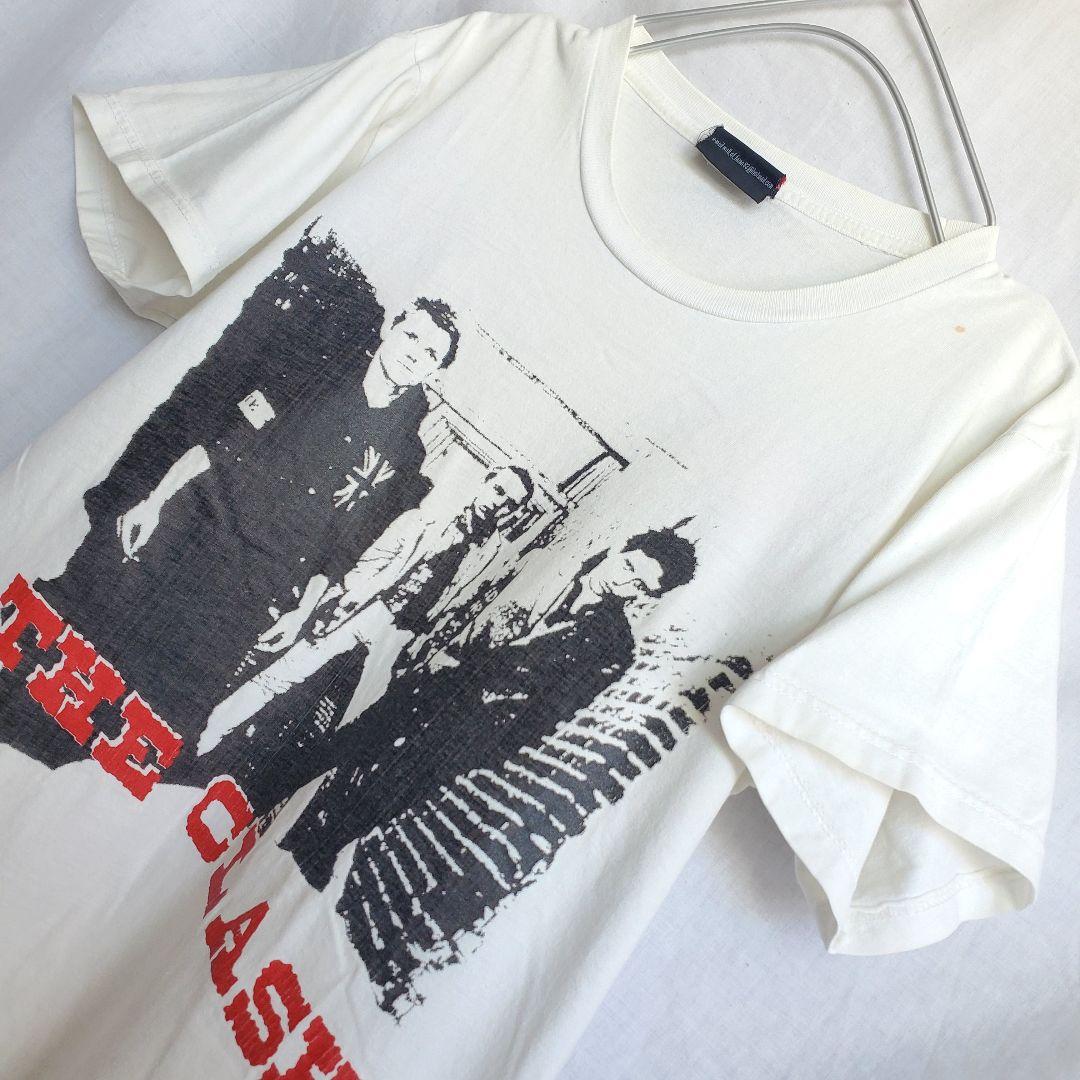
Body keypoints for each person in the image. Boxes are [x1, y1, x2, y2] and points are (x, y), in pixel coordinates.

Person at [0, 226, 462, 774]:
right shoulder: (314, 375)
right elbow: (223, 441)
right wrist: (155, 500)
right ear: (393, 328)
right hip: (194, 530)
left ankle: (57, 771)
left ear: (436, 371)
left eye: (430, 353)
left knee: (153, 696)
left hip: (250, 592)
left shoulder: (405, 456)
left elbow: (347, 545)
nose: (415, 355)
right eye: (413, 337)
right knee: (90, 632)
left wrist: (302, 613)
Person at [278, 524, 699, 893]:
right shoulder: (551, 558)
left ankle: (319, 848)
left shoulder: (614, 647)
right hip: (435, 677)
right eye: (629, 566)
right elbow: (476, 594)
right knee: (354, 740)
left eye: (640, 586)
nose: (623, 583)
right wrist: (429, 648)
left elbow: (556, 710)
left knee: (399, 788)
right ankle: (275, 791)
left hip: (474, 724)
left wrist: (493, 746)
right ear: (621, 548)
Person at [190, 465, 536, 809]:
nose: (499, 503)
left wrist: (417, 651)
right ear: (486, 481)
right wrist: (342, 599)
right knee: (282, 676)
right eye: (499, 491)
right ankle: (204, 744)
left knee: (350, 723)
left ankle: (275, 799)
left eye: (510, 503)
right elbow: (375, 560)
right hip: (365, 608)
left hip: (401, 637)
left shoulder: (492, 555)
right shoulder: (430, 515)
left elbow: (458, 608)